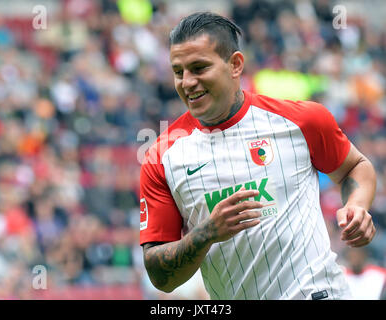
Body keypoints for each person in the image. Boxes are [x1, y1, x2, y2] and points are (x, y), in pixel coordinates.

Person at [139, 12, 377, 300]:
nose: (187, 82)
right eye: (179, 72)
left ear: (235, 65)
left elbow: (355, 167)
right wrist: (207, 233)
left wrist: (357, 206)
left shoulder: (301, 121)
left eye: (199, 68)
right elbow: (159, 277)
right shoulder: (161, 157)